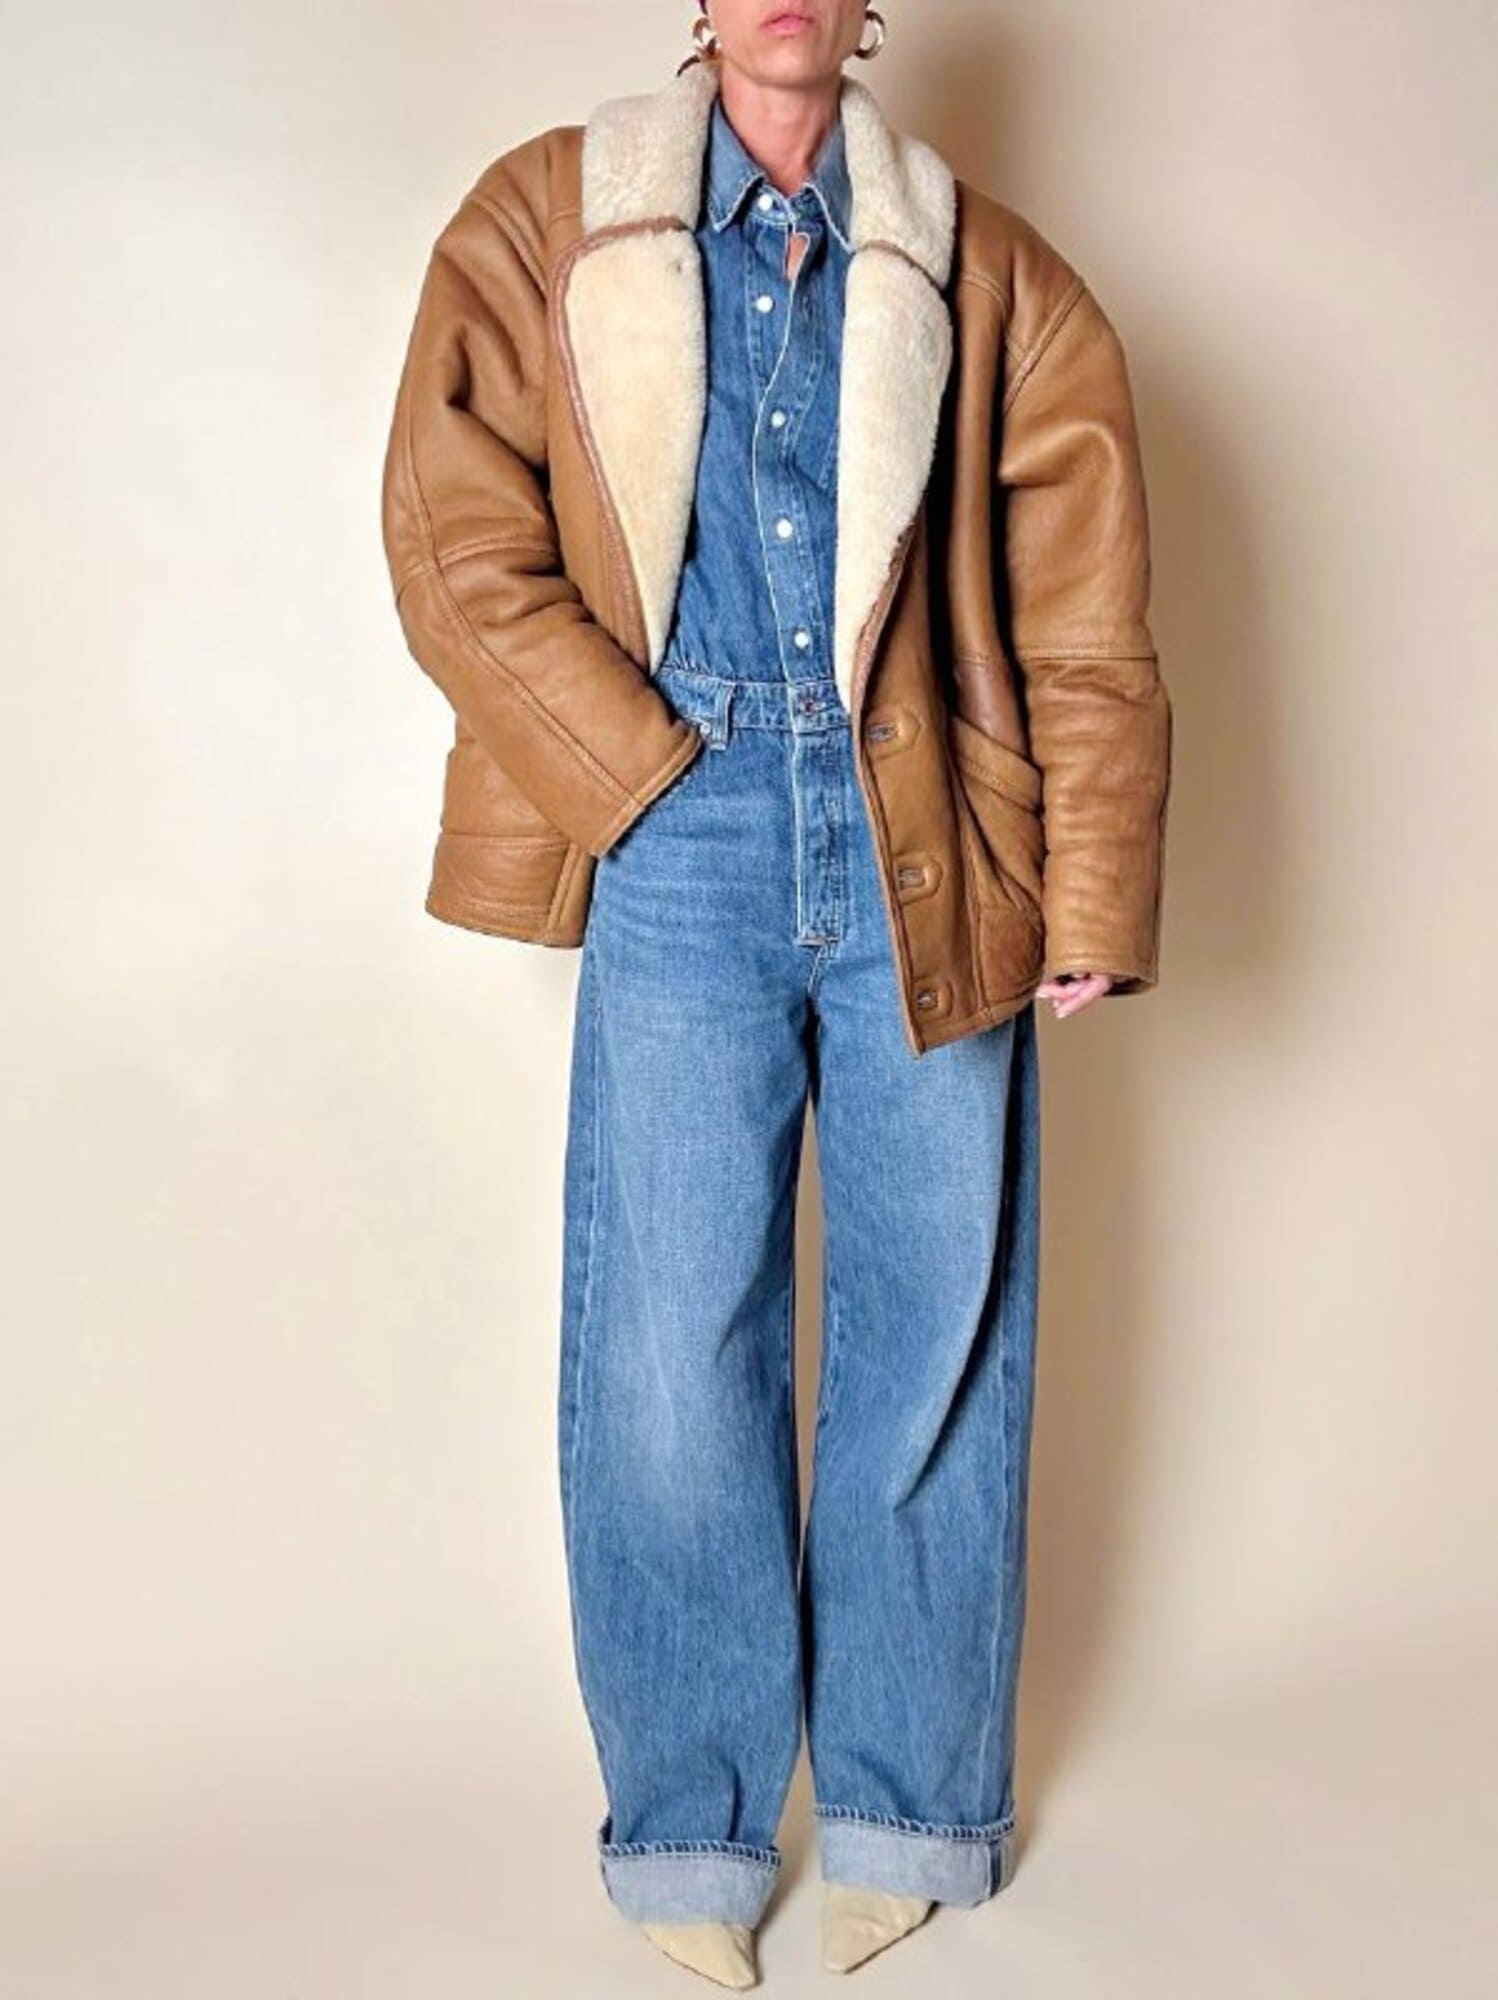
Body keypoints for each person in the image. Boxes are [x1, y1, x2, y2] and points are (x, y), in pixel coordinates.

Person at [380, 1, 1171, 1984]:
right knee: (668, 1339)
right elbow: (452, 534)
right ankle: (691, 1831)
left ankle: (909, 1806)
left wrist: (1086, 880)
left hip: (932, 820)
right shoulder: (546, 217)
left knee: (935, 1324)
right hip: (677, 807)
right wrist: (628, 771)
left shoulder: (987, 265)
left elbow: (1082, 612)